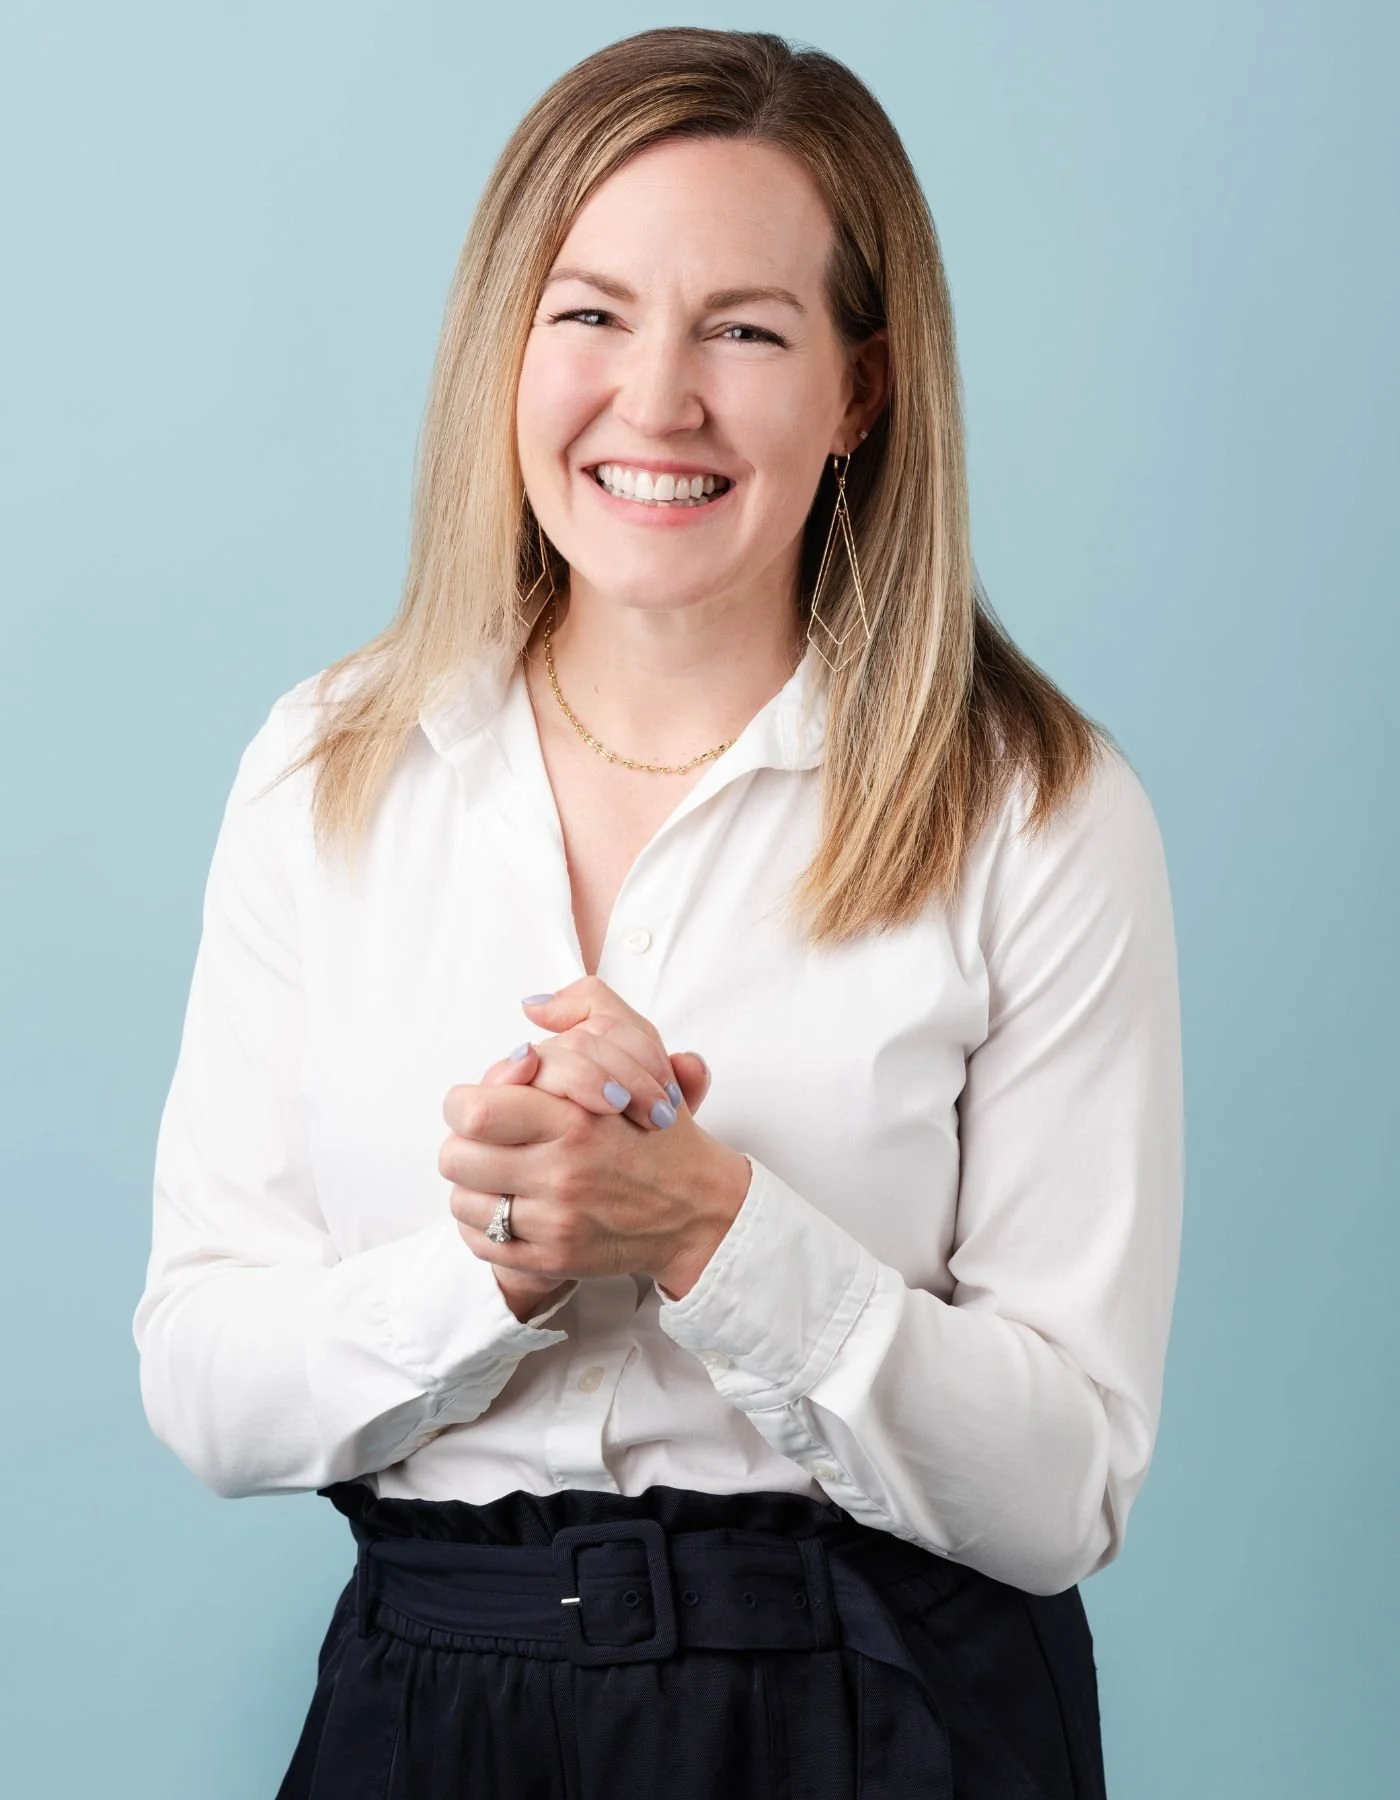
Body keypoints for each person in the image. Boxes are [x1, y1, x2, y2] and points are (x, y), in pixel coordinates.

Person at [132, 25, 1182, 1799]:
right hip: (435, 1705)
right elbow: (208, 1385)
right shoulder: (327, 768)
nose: (659, 399)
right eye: (593, 313)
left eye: (746, 330)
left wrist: (714, 1233)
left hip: (885, 1711)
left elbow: (1063, 1489)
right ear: (506, 351)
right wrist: (502, 1263)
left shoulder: (1039, 810)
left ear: (861, 391)